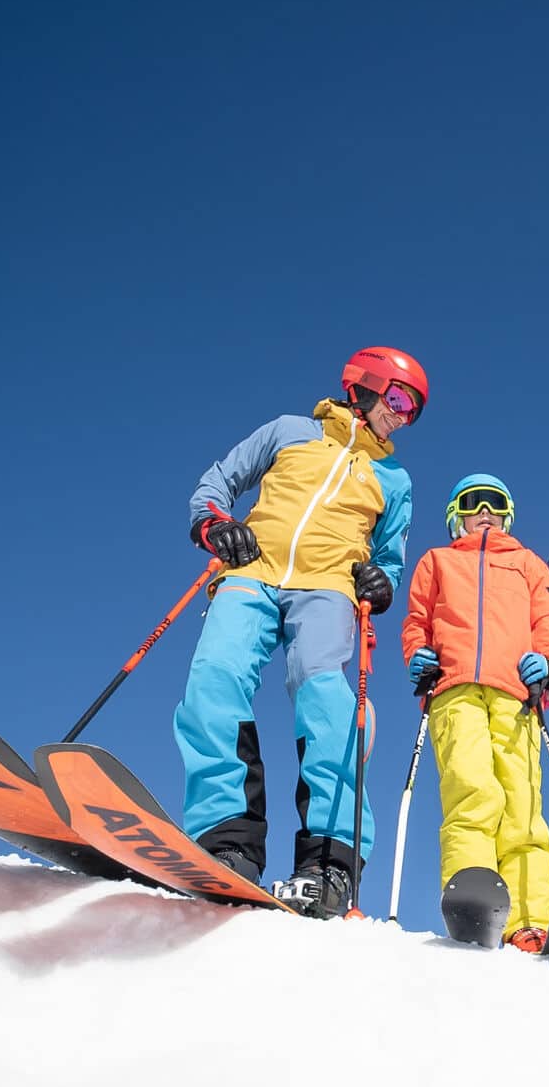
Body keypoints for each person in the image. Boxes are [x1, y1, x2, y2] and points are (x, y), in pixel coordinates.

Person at [173, 345, 422, 918]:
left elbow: (390, 556)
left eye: (413, 411)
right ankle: (227, 841)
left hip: (330, 587)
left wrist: (380, 581)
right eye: (401, 399)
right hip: (251, 568)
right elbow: (220, 478)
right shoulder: (290, 431)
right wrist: (213, 524)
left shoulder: (394, 478)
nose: (404, 416)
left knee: (328, 699)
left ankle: (329, 861)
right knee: (213, 680)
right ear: (366, 382)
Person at [400, 474, 549, 951]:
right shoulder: (438, 561)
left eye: (496, 503)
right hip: (454, 689)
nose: (485, 510)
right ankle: (473, 901)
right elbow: (417, 621)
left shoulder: (529, 565)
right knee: (472, 792)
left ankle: (530, 919)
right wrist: (418, 652)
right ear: (457, 513)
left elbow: (546, 623)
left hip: (516, 693)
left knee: (523, 806)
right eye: (474, 502)